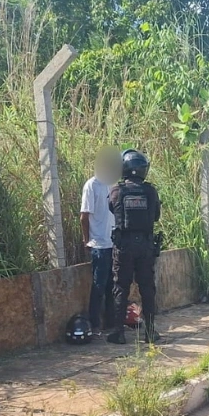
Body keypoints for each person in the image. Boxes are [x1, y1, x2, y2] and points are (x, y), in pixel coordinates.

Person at [107, 149, 162, 345]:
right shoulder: (150, 191)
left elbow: (112, 209)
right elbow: (156, 216)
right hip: (146, 246)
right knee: (147, 288)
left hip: (124, 245)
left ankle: (118, 333)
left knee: (121, 287)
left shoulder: (117, 190)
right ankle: (150, 332)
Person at [80, 147, 120, 335]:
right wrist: (86, 240)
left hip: (114, 243)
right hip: (99, 245)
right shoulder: (92, 185)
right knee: (99, 285)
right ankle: (95, 324)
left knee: (113, 285)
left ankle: (111, 322)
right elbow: (84, 216)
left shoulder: (115, 184)